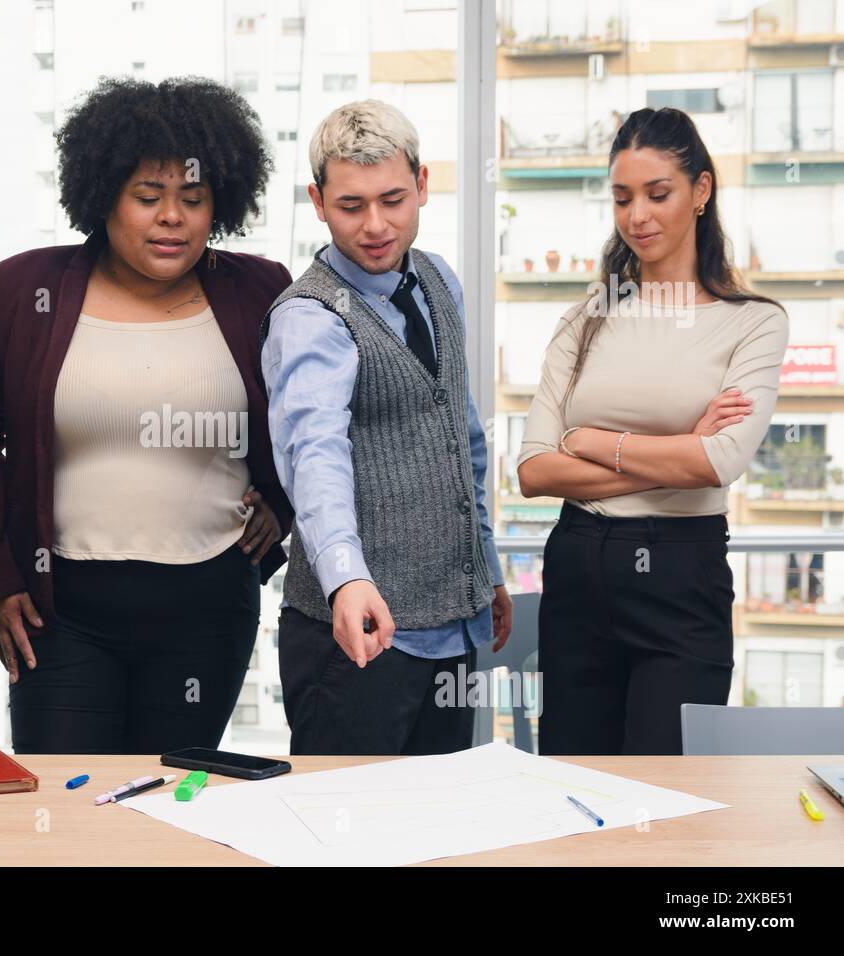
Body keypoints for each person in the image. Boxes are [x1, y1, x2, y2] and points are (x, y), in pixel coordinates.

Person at [0, 76, 294, 754]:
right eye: (148, 197)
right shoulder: (22, 289)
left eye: (193, 199)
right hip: (61, 614)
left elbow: (307, 421)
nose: (171, 217)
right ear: (103, 198)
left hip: (208, 610)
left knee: (169, 809)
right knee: (70, 814)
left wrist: (280, 505)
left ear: (219, 206)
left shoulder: (260, 290)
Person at [517, 107, 789, 755]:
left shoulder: (752, 322)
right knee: (572, 783)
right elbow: (533, 471)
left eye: (657, 194)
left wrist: (595, 443)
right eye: (622, 198)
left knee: (670, 784)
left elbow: (719, 461)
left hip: (680, 573)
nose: (637, 215)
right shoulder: (587, 319)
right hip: (579, 565)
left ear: (700, 191)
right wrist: (676, 449)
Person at [262, 100, 512, 757]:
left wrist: (483, 569)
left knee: (438, 836)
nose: (375, 225)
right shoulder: (310, 316)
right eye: (351, 206)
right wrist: (347, 579)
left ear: (422, 185)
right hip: (355, 635)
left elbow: (463, 439)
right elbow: (313, 457)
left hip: (447, 626)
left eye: (393, 199)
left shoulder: (438, 282)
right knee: (345, 838)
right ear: (317, 202)